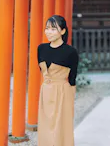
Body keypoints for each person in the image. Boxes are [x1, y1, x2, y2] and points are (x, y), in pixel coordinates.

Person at [37, 15, 79, 146]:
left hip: (63, 91)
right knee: (45, 124)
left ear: (63, 31)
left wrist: (71, 96)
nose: (48, 32)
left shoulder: (71, 52)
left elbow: (73, 77)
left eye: (53, 29)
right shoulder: (41, 48)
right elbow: (42, 70)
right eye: (47, 28)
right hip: (46, 90)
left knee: (62, 126)